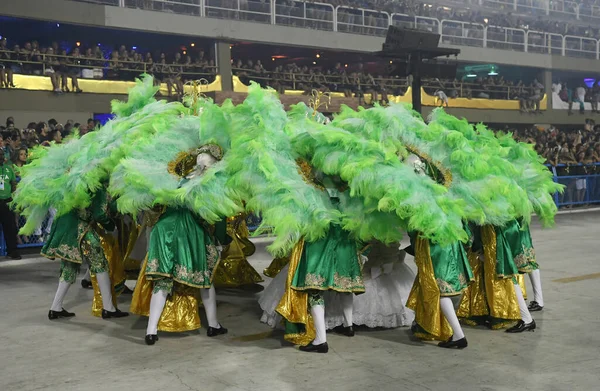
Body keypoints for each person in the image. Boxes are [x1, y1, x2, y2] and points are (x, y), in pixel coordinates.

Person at [43, 186, 129, 320]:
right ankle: (108, 308)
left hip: (65, 225)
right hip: (81, 229)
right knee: (100, 264)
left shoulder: (76, 178)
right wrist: (111, 226)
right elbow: (100, 214)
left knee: (69, 267)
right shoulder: (98, 185)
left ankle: (55, 307)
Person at [0, 151, 21, 260]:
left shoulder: (9, 169)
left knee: (10, 228)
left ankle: (12, 251)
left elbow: (13, 184)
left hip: (7, 201)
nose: (1, 157)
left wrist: (13, 197)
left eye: (2, 155)